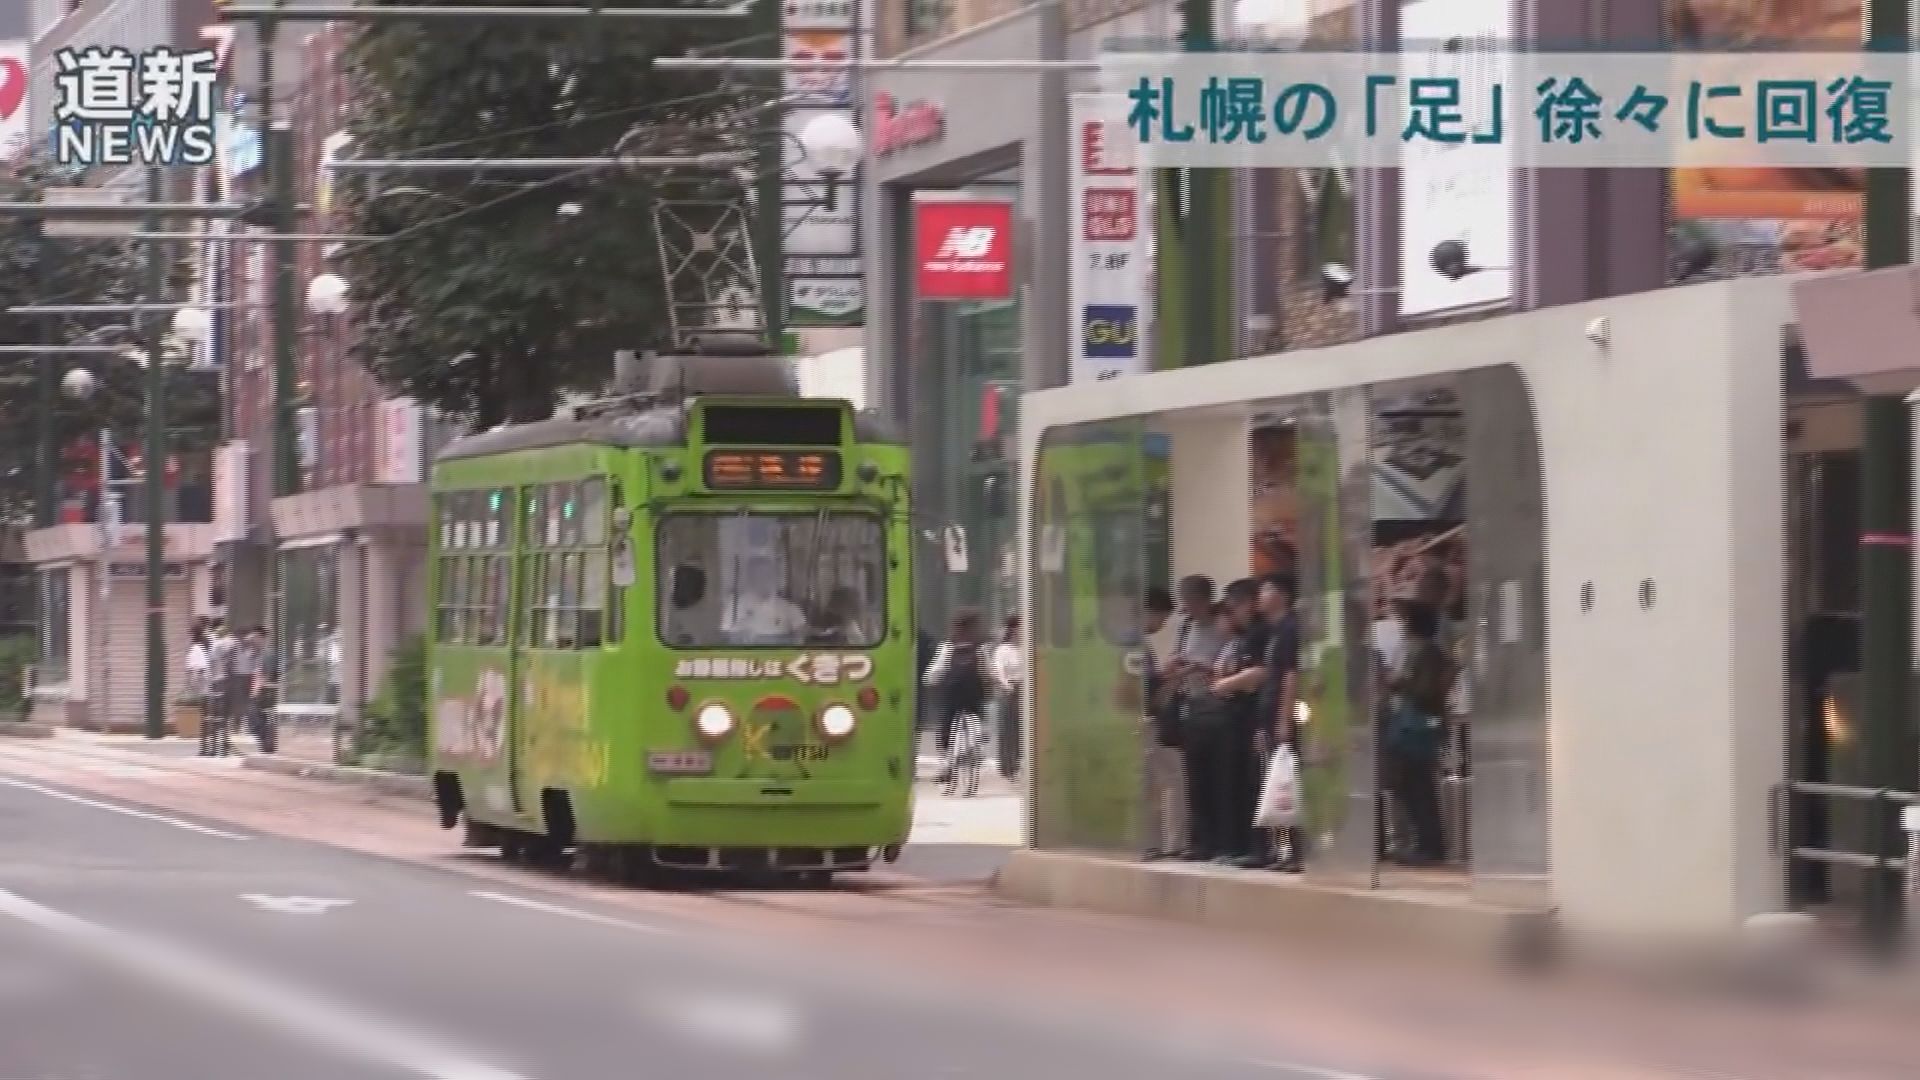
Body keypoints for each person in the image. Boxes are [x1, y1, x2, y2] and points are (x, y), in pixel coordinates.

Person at [1185, 579, 1264, 864]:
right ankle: (1216, 843)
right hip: (1212, 715)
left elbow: (1256, 677)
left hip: (1239, 718)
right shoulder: (1232, 643)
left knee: (1240, 784)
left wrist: (1226, 682)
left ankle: (1244, 845)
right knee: (1212, 783)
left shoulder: (1253, 637)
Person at [1382, 601, 1452, 866]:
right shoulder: (1418, 650)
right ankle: (1421, 842)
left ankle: (1429, 845)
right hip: (1411, 727)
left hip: (1415, 729)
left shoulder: (1423, 651)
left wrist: (1397, 683)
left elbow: (1423, 690)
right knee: (1412, 787)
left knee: (1419, 788)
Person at [922, 609, 993, 795]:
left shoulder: (948, 645)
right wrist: (998, 683)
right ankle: (978, 740)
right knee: (978, 710)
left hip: (952, 691)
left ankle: (946, 761)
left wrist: (929, 679)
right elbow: (989, 670)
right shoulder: (980, 647)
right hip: (974, 692)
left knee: (946, 723)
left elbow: (938, 668)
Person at [1137, 586, 1185, 860]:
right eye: (1161, 617)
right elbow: (1150, 691)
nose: (1161, 625)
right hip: (1145, 721)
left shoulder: (1132, 642)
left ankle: (1150, 841)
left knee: (1150, 782)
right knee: (1171, 778)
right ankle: (1171, 842)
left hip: (1139, 719)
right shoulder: (1139, 644)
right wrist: (1171, 677)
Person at [721, 553, 808, 644]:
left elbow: (801, 632)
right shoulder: (735, 606)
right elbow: (727, 636)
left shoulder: (788, 607)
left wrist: (799, 636)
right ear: (750, 578)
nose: (763, 579)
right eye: (758, 575)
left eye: (767, 575)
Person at [990, 615, 1024, 780]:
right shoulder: (1002, 650)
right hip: (1010, 690)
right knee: (1008, 730)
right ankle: (1007, 766)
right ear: (1012, 630)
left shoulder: (1025, 648)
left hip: (1025, 689)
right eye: (1020, 627)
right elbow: (999, 671)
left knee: (1022, 730)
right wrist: (1007, 686)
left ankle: (1019, 763)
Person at [204, 620, 236, 757]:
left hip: (218, 681)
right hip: (232, 682)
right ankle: (224, 746)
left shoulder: (217, 644)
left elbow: (211, 663)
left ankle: (214, 748)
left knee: (215, 716)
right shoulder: (235, 643)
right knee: (225, 717)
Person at [185, 619, 215, 756]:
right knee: (212, 716)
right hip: (214, 683)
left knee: (205, 717)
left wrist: (193, 684)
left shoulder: (197, 647)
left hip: (205, 685)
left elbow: (197, 668)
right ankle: (213, 746)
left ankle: (205, 748)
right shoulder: (211, 643)